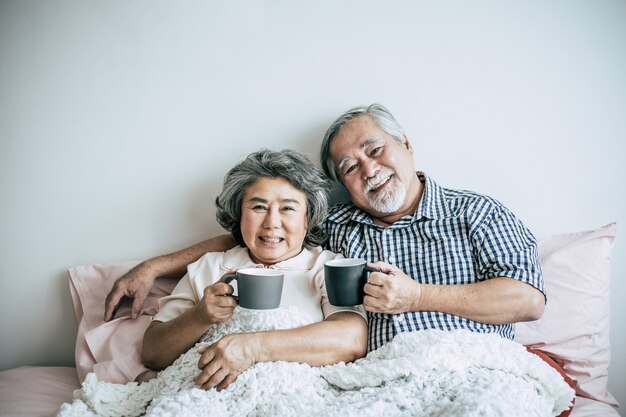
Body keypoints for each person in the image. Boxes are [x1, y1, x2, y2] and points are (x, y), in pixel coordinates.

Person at [105, 104, 545, 353]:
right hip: (380, 381)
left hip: (476, 361)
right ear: (341, 185)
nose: (369, 169)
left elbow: (528, 300)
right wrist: (153, 267)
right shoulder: (336, 225)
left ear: (407, 145)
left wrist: (418, 296)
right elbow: (260, 237)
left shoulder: (477, 212)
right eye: (350, 166)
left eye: (376, 150)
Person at [140, 149, 367, 390]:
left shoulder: (327, 267)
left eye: (288, 208)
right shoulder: (209, 266)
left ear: (308, 218)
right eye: (259, 207)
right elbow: (153, 353)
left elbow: (351, 340)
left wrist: (253, 348)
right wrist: (199, 316)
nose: (271, 223)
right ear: (239, 214)